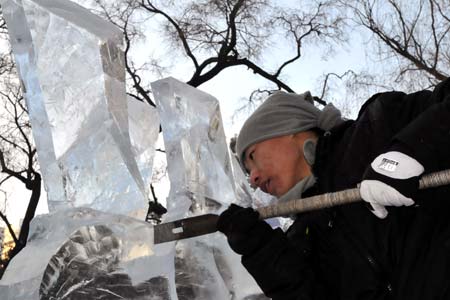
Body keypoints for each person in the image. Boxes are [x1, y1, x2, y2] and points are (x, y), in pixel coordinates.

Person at [217, 78, 450, 300]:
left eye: (252, 156)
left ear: (289, 129)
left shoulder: (378, 125)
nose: (253, 178)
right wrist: (262, 251)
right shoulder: (302, 241)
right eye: (248, 173)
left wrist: (413, 148)